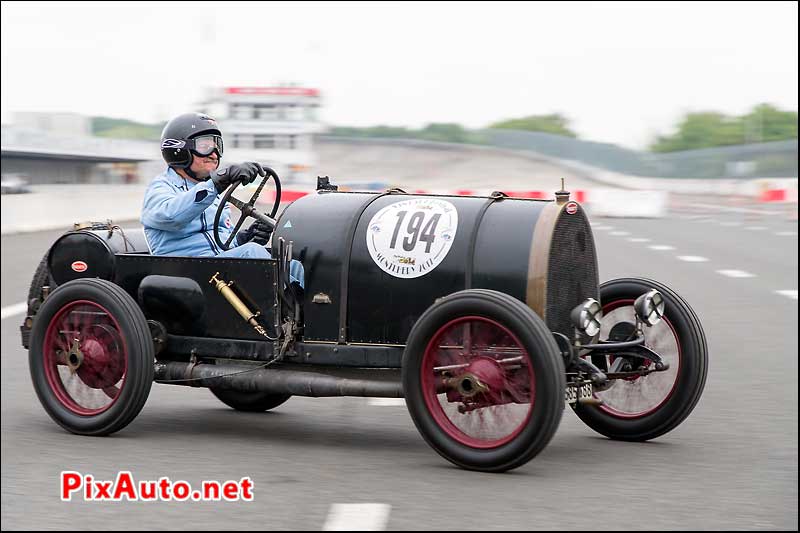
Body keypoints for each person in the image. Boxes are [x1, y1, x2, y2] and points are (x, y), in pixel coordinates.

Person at [141, 112, 304, 287]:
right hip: (186, 276)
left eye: (217, 146)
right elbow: (170, 217)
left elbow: (223, 242)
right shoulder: (161, 187)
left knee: (294, 266)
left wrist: (245, 238)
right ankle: (293, 305)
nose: (214, 154)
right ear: (179, 150)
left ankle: (311, 308)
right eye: (205, 146)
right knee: (252, 253)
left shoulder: (217, 195)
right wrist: (219, 182)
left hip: (218, 269)